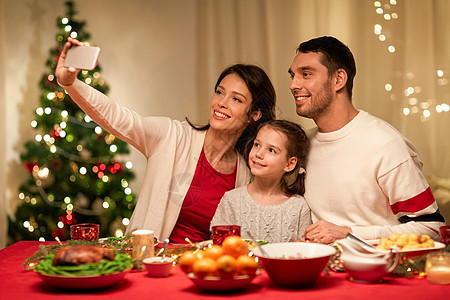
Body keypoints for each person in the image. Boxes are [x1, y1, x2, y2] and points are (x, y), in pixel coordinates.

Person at [55, 37, 276, 243]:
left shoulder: (247, 172)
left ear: (255, 114)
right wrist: (70, 83)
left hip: (201, 272)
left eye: (236, 99)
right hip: (150, 264)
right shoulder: (171, 136)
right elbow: (117, 116)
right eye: (219, 92)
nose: (221, 103)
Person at [288, 36, 445, 244]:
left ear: (338, 80)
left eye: (306, 74)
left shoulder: (386, 145)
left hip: (376, 272)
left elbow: (432, 228)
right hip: (316, 270)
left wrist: (349, 233)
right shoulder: (301, 144)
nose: (293, 85)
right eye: (293, 76)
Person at [211, 120, 312, 242]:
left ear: (289, 164)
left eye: (271, 150)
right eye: (257, 145)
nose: (258, 153)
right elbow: (220, 248)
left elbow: (303, 253)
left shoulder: (299, 207)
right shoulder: (231, 200)